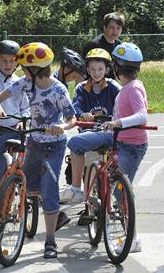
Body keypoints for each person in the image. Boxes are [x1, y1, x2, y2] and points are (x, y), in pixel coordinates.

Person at [0, 42, 76, 258]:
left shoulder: (58, 90)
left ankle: (50, 242)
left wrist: (61, 126)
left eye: (24, 68)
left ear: (34, 70)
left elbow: (72, 119)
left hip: (54, 145)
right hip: (34, 142)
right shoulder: (26, 83)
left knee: (49, 188)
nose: (21, 72)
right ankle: (55, 213)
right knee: (31, 185)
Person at [66, 42, 148, 253]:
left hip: (127, 143)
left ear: (117, 68)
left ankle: (134, 238)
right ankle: (78, 188)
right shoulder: (128, 87)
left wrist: (116, 122)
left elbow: (142, 115)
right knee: (77, 144)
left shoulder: (131, 88)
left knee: (122, 192)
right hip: (117, 138)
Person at [60, 48, 122, 207]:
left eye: (100, 69)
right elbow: (76, 106)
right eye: (92, 69)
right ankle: (88, 205)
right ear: (87, 69)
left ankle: (114, 199)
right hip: (89, 131)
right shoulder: (81, 88)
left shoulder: (113, 86)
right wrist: (82, 114)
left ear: (107, 70)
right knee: (89, 165)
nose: (96, 72)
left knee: (114, 166)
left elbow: (122, 103)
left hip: (109, 131)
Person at [0, 39, 30, 228]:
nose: (8, 65)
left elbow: (25, 107)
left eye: (12, 61)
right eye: (4, 61)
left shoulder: (20, 81)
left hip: (16, 129)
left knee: (20, 168)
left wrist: (23, 120)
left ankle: (16, 201)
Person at [82, 12, 125, 78]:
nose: (115, 31)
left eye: (118, 28)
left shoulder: (120, 47)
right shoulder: (93, 45)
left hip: (112, 85)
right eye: (112, 27)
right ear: (105, 28)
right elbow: (82, 72)